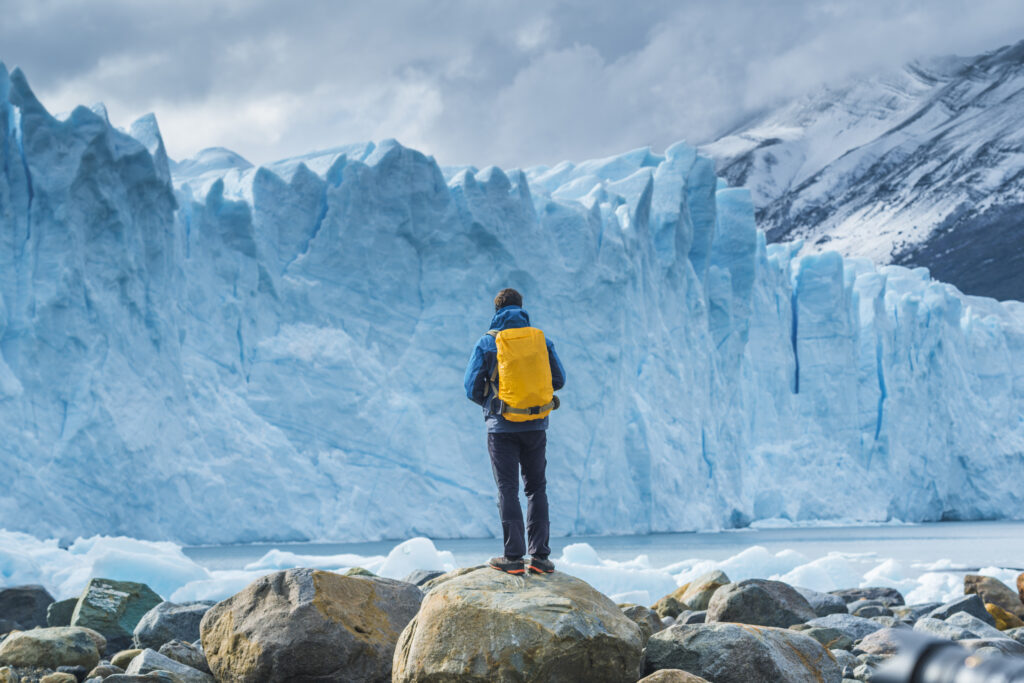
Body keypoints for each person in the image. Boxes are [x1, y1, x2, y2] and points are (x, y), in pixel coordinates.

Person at [464, 288, 566, 575]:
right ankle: (541, 558)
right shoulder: (540, 340)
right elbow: (559, 379)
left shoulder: (488, 342)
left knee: (507, 489)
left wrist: (494, 401)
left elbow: (470, 387)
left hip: (501, 428)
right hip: (536, 425)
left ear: (496, 310)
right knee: (537, 488)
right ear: (522, 308)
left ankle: (512, 557)